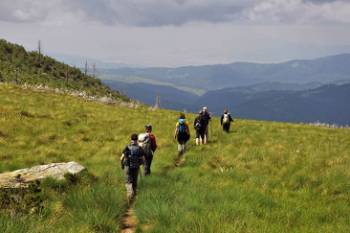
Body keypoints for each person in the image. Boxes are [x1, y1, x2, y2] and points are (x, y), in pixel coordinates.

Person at [120, 134, 145, 199]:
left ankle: (129, 195)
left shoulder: (127, 147)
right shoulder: (139, 148)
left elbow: (121, 158)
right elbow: (142, 159)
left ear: (131, 139)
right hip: (136, 167)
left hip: (127, 166)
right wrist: (140, 165)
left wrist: (122, 165)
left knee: (128, 181)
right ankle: (134, 195)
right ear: (137, 140)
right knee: (134, 181)